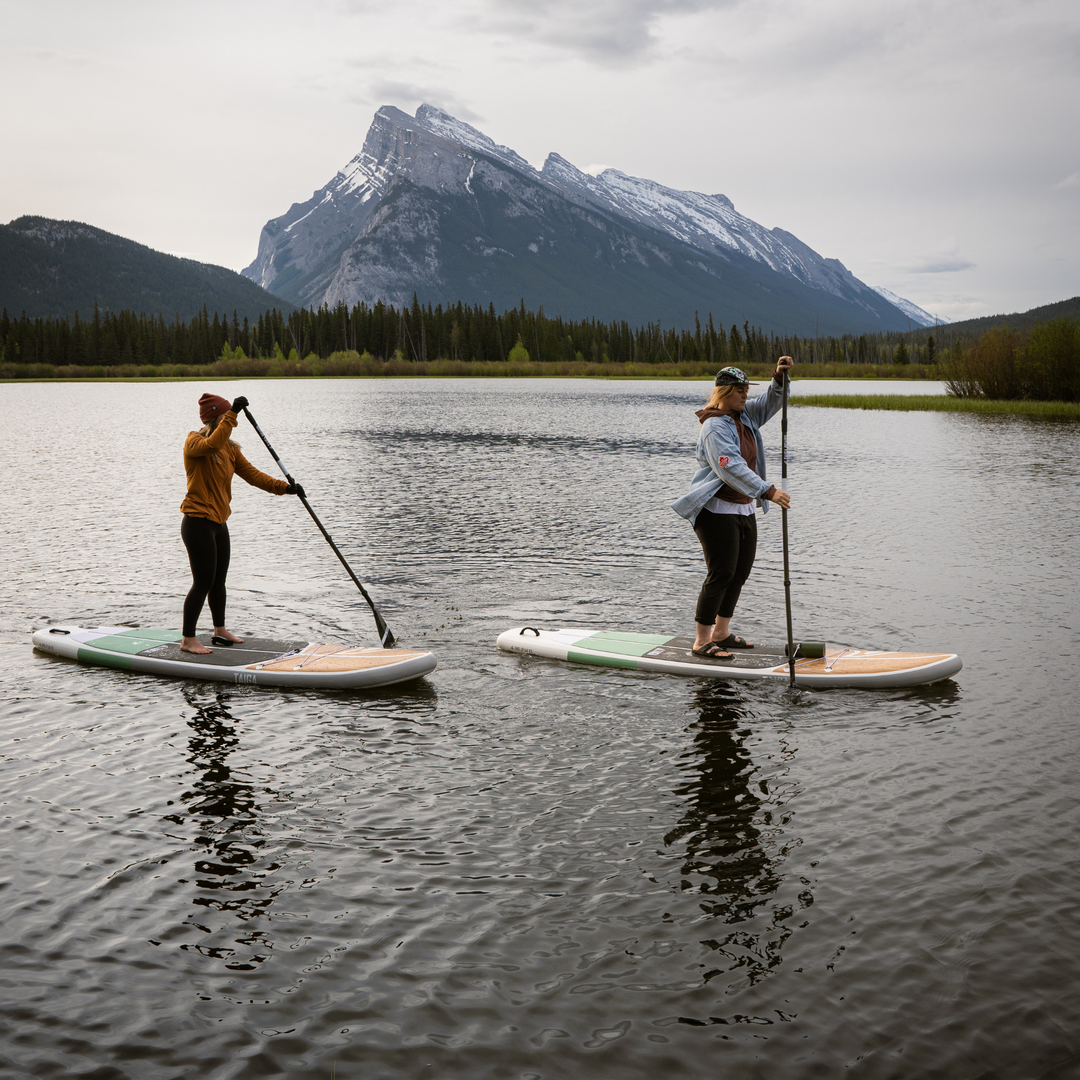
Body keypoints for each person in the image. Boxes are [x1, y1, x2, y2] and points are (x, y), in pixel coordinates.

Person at [671, 358, 794, 659]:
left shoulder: (745, 415)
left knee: (739, 573)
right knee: (721, 573)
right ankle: (701, 640)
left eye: (746, 389)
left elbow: (770, 402)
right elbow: (730, 467)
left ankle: (721, 633)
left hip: (742, 508)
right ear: (724, 392)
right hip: (715, 510)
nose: (745, 394)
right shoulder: (714, 427)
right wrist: (768, 490)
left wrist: (779, 378)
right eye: (740, 390)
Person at [179, 393, 303, 654]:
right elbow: (212, 444)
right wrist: (234, 413)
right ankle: (188, 639)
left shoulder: (230, 449)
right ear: (216, 417)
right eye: (226, 415)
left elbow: (253, 476)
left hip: (219, 522)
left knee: (218, 582)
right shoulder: (194, 442)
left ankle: (219, 629)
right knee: (202, 582)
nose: (231, 419)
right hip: (197, 522)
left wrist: (285, 488)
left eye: (231, 414)